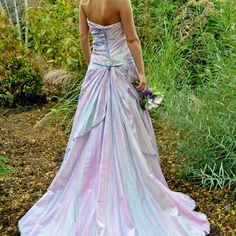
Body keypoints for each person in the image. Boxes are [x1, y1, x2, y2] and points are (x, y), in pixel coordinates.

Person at [18, 0, 211, 235]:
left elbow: (82, 37)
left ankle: (90, 185)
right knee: (125, 130)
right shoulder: (121, 2)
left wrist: (93, 65)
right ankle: (129, 187)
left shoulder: (85, 3)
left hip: (97, 72)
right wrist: (141, 74)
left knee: (90, 133)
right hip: (121, 71)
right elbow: (132, 40)